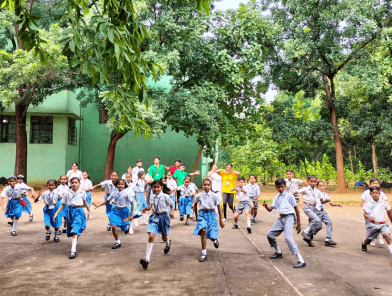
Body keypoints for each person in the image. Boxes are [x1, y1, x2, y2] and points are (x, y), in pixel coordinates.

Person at [262, 178, 306, 268]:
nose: (280, 189)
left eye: (282, 187)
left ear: (285, 186)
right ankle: (278, 252)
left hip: (289, 217)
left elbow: (296, 210)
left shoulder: (290, 196)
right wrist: (266, 206)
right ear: (276, 187)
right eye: (278, 187)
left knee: (288, 238)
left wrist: (298, 224)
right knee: (270, 235)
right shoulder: (277, 197)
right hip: (281, 218)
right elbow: (271, 209)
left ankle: (301, 260)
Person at [140, 180, 174, 270]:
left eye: (158, 187)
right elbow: (151, 206)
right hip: (154, 218)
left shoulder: (165, 196)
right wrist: (146, 209)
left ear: (161, 187)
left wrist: (172, 212)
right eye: (154, 187)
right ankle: (147, 260)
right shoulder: (152, 196)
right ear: (152, 188)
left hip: (164, 218)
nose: (156, 189)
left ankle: (168, 242)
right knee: (151, 236)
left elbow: (171, 205)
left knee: (164, 238)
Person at [54, 177, 91, 259]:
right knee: (73, 230)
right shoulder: (67, 193)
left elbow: (85, 202)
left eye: (76, 182)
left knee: (75, 229)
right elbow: (63, 204)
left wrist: (89, 211)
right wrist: (56, 213)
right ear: (70, 184)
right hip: (70, 212)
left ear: (79, 184)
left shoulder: (82, 192)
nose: (74, 184)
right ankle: (75, 241)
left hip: (79, 211)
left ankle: (73, 251)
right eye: (73, 182)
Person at [94, 179, 134, 249]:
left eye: (122, 184)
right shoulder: (114, 193)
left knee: (123, 228)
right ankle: (117, 241)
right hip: (115, 211)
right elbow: (107, 200)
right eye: (119, 184)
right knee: (113, 226)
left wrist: (131, 214)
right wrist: (99, 205)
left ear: (124, 185)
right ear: (116, 185)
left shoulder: (127, 193)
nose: (120, 185)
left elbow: (132, 203)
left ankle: (126, 227)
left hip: (124, 212)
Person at [193, 179, 224, 262]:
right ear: (202, 186)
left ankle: (214, 239)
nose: (206, 186)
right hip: (202, 215)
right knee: (203, 230)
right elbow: (195, 205)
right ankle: (204, 253)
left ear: (210, 186)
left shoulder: (214, 196)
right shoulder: (199, 195)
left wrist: (221, 220)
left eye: (208, 185)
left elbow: (219, 208)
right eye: (204, 185)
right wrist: (196, 216)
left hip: (211, 215)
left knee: (210, 234)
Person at [362, 186, 392, 256]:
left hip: (382, 224)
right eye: (373, 193)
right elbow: (365, 214)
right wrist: (370, 219)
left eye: (376, 193)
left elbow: (389, 213)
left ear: (379, 194)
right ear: (370, 194)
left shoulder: (384, 203)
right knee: (369, 240)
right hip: (373, 225)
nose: (375, 194)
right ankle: (364, 242)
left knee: (387, 237)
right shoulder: (368, 204)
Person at [360, 177, 388, 246]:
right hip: (369, 213)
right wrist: (365, 209)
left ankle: (378, 236)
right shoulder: (366, 192)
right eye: (373, 183)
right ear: (369, 185)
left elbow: (387, 201)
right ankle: (371, 239)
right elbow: (362, 202)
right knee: (370, 227)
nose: (375, 184)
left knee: (379, 224)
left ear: (379, 185)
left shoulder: (381, 193)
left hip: (378, 212)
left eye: (376, 183)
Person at [295, 175, 322, 247]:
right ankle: (305, 232)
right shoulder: (305, 189)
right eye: (311, 181)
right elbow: (295, 192)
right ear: (308, 182)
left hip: (314, 208)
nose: (313, 183)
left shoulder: (316, 190)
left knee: (314, 224)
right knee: (317, 220)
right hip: (307, 207)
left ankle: (308, 238)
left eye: (315, 182)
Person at [314, 181, 342, 246]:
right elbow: (322, 201)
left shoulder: (325, 194)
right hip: (316, 211)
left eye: (323, 185)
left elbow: (331, 203)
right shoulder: (316, 193)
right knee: (319, 226)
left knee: (329, 222)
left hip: (322, 211)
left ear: (325, 187)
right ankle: (310, 233)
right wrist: (326, 201)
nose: (321, 187)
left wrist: (337, 204)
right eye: (320, 186)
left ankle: (327, 240)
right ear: (317, 187)